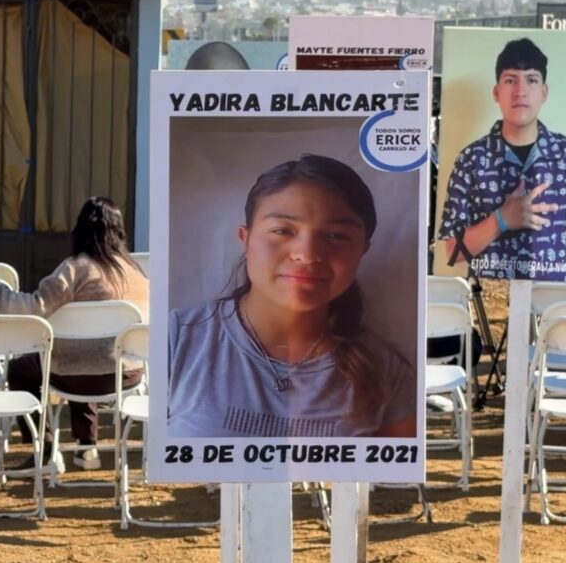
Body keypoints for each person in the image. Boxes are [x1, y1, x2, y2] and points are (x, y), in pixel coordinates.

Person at [167, 155, 416, 438]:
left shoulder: (384, 371)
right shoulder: (178, 337)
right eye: (283, 231)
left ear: (363, 250)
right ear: (246, 240)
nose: (307, 255)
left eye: (335, 236)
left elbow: (392, 473)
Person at [0, 197, 148, 470]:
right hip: (128, 374)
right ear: (119, 231)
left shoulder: (76, 268)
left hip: (73, 376)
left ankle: (44, 449)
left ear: (80, 229)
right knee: (89, 353)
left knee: (25, 369)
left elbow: (34, 306)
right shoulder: (136, 272)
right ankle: (86, 448)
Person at [437, 37, 566, 281]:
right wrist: (501, 220)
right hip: (489, 309)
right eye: (510, 80)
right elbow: (452, 250)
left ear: (544, 92)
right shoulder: (471, 159)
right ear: (496, 91)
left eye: (532, 80)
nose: (520, 91)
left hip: (551, 307)